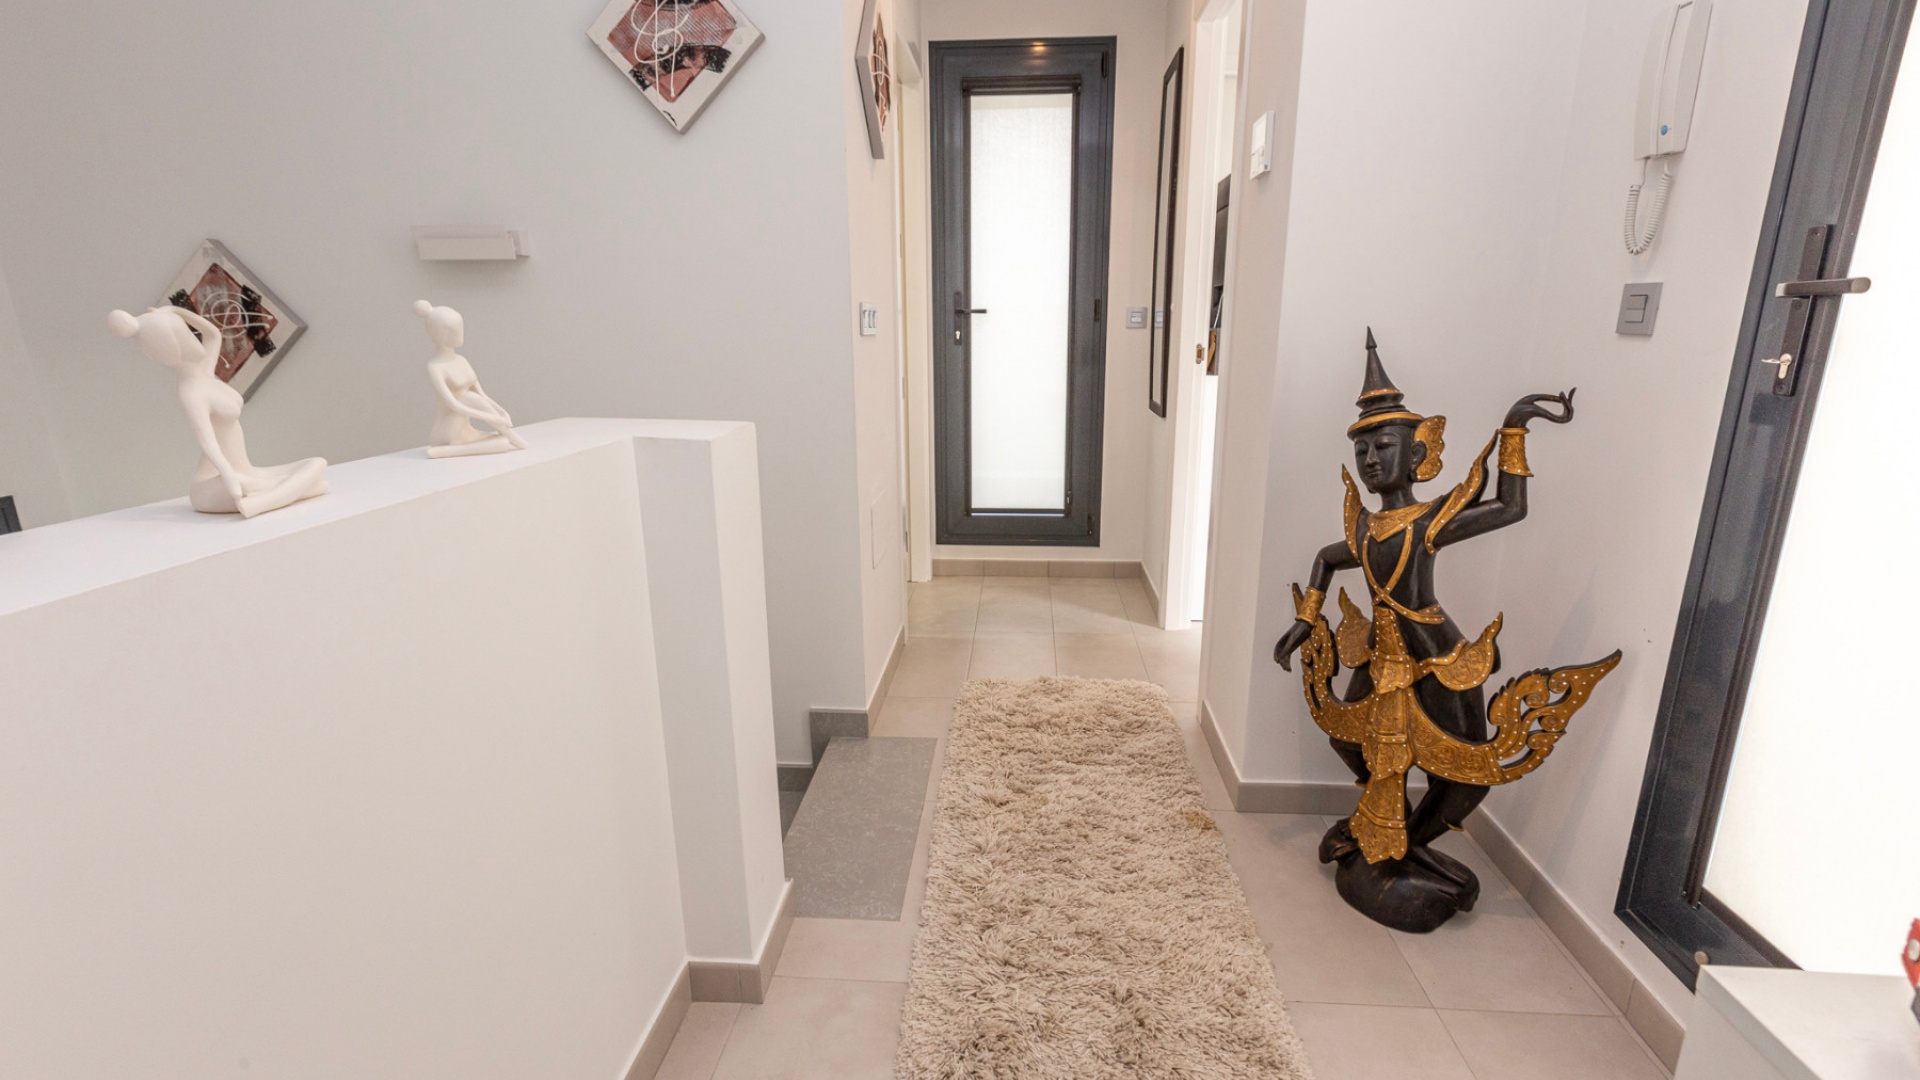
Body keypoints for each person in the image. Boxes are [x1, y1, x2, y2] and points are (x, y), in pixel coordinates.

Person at [108, 306, 327, 518]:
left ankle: (267, 500)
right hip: (211, 485)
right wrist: (229, 476)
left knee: (316, 463)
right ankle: (283, 495)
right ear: (171, 348)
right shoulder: (190, 392)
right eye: (184, 335)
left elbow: (213, 334)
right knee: (296, 482)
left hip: (245, 471)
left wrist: (177, 311)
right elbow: (208, 442)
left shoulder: (206, 372)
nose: (192, 339)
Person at [415, 300, 527, 459]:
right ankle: (510, 437)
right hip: (449, 429)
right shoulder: (435, 367)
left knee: (501, 441)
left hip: (465, 428)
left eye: (459, 328)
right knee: (468, 397)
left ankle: (508, 435)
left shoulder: (461, 360)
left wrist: (502, 413)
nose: (459, 333)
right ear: (439, 334)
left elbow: (482, 395)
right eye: (452, 329)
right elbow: (454, 404)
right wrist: (492, 418)